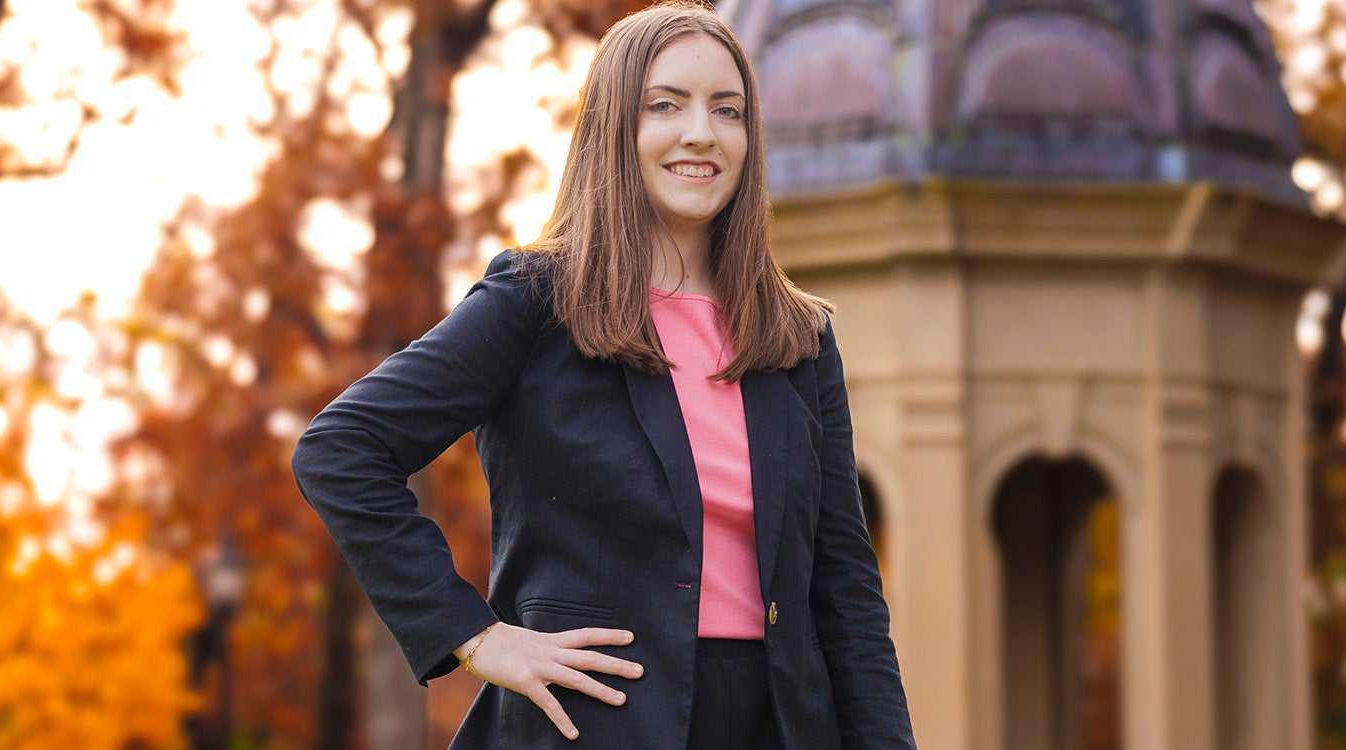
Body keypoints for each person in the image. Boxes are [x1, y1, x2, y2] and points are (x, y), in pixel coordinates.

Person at [290, 2, 913, 747]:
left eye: (728, 110)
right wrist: (475, 636)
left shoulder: (798, 337)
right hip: (591, 724)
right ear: (615, 128)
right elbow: (341, 448)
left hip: (779, 724)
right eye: (665, 106)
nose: (700, 133)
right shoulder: (533, 303)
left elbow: (844, 588)